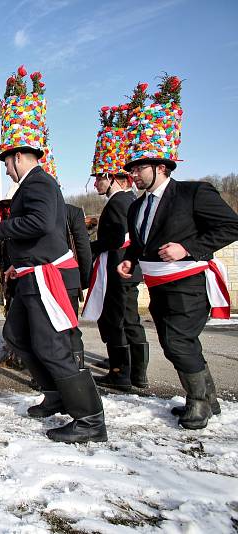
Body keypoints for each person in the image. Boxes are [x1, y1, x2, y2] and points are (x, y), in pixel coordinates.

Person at [0, 66, 106, 443]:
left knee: (51, 345)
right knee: (17, 335)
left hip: (47, 277)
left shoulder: (38, 181)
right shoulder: (35, 183)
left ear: (19, 157)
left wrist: (1, 228)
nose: (6, 170)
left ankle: (89, 418)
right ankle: (55, 393)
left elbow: (39, 224)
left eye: (7, 162)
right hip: (30, 275)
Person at [116, 76, 238, 430]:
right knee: (172, 344)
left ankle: (199, 400)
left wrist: (188, 248)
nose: (133, 174)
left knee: (179, 341)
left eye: (139, 167)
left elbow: (231, 226)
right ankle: (208, 398)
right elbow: (140, 244)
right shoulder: (136, 208)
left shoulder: (194, 193)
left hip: (188, 282)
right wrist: (130, 259)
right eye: (132, 168)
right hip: (157, 285)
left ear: (162, 167)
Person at [83, 102, 149, 391]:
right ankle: (136, 372)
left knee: (117, 321)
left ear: (110, 177)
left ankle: (122, 371)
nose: (96, 183)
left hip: (118, 268)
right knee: (129, 319)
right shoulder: (127, 201)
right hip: (125, 269)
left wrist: (91, 243)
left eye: (99, 177)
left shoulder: (119, 202)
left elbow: (116, 238)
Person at [66, 203, 92, 368]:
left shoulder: (33, 210)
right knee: (71, 327)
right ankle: (77, 370)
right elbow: (84, 250)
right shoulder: (73, 212)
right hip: (69, 278)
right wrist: (82, 279)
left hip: (42, 279)